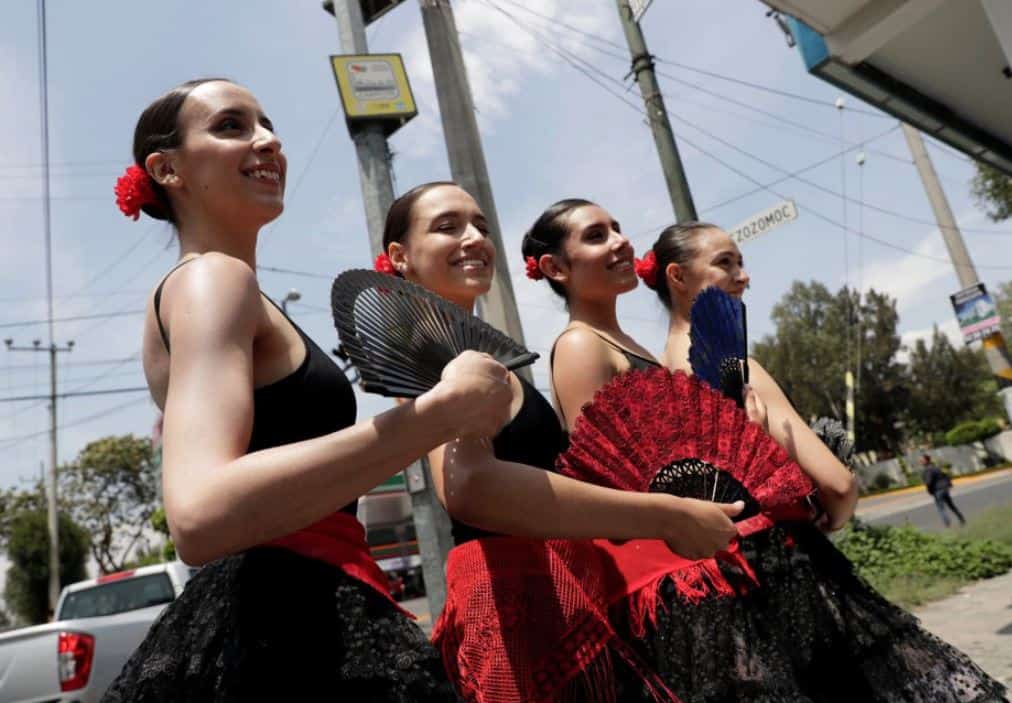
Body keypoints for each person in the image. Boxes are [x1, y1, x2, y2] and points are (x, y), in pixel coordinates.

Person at [101, 79, 515, 702]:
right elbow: (201, 513)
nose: (267, 140)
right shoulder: (214, 279)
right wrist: (437, 414)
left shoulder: (223, 289)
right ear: (167, 169)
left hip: (289, 607)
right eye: (231, 126)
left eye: (267, 124)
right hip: (287, 624)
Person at [380, 183, 737, 702]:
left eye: (480, 225)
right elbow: (468, 485)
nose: (475, 238)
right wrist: (666, 515)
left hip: (559, 590)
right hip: (518, 605)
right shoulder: (431, 352)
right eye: (447, 227)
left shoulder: (471, 350)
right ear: (400, 257)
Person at [632, 220, 1005, 702]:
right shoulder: (736, 365)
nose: (743, 275)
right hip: (796, 573)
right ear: (678, 277)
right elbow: (839, 483)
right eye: (724, 263)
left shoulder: (664, 374)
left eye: (741, 261)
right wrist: (835, 513)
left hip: (734, 586)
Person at [921, 454, 966, 527]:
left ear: (926, 460)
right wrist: (949, 484)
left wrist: (929, 491)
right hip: (945, 489)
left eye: (922, 460)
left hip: (937, 490)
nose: (921, 462)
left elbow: (928, 482)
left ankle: (947, 524)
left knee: (940, 508)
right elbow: (946, 475)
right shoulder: (936, 467)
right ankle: (961, 518)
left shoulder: (927, 470)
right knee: (951, 505)